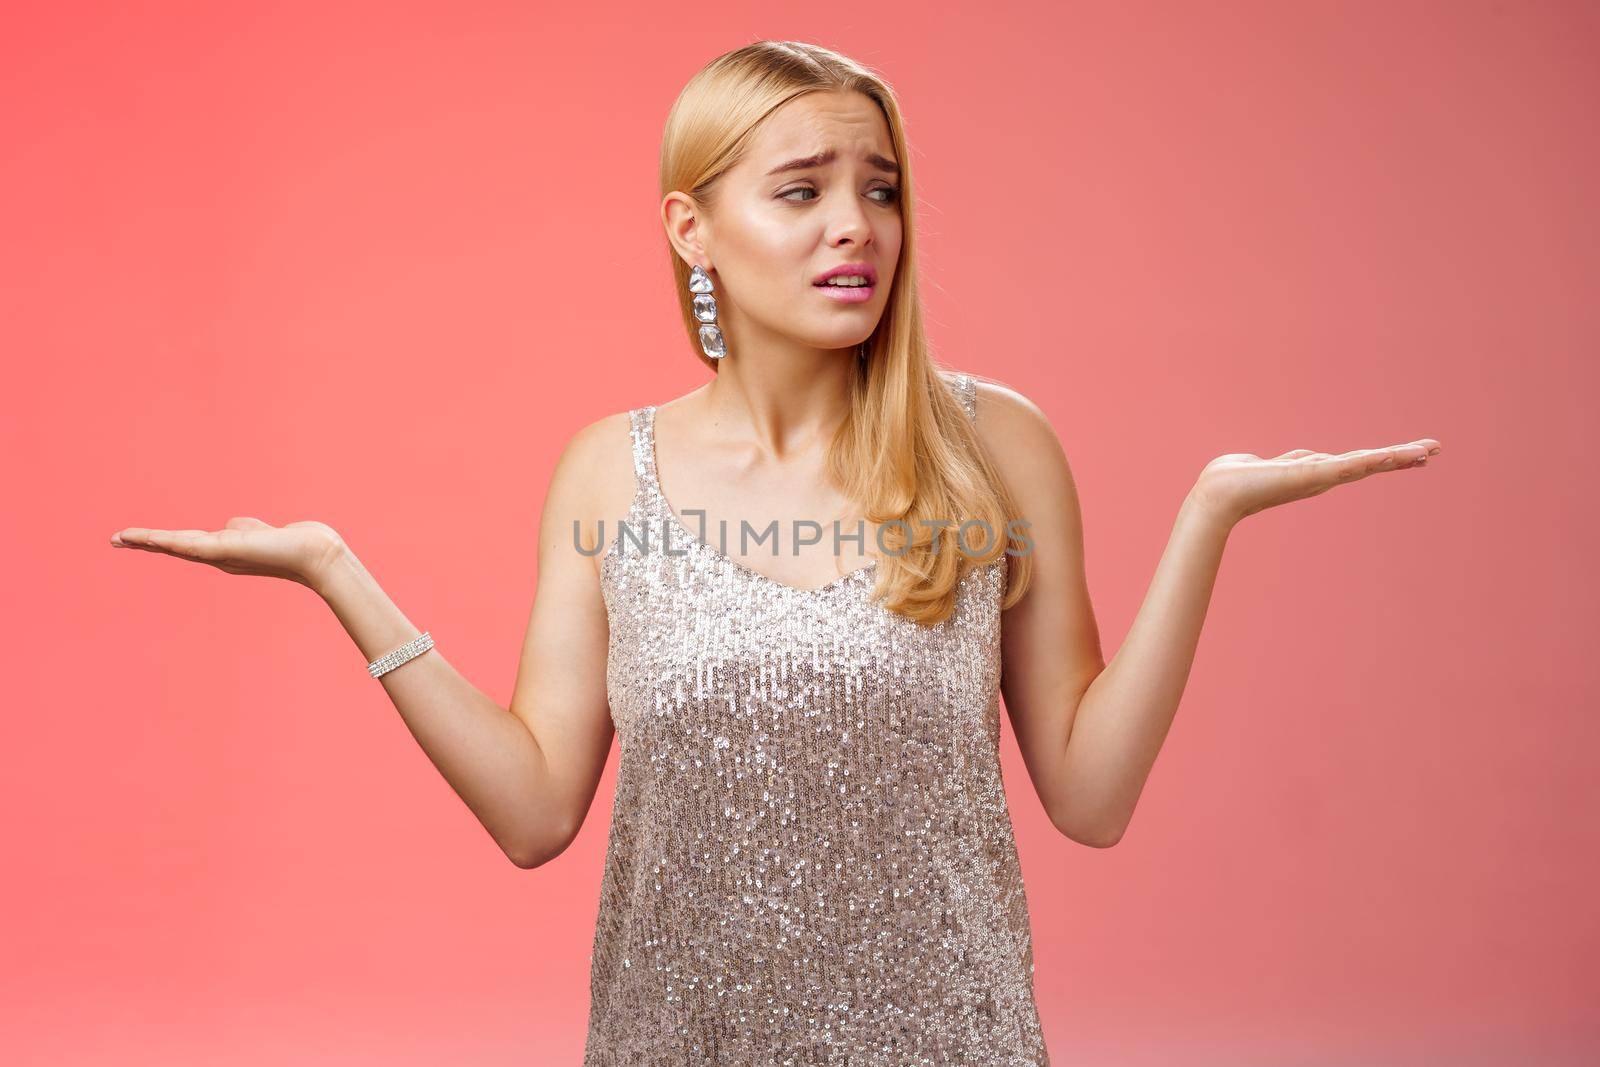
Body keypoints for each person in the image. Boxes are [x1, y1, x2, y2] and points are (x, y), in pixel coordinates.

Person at [109, 39, 1440, 1066]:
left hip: (948, 1044)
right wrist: (339, 573)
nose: (854, 224)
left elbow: (1090, 799)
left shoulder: (997, 445)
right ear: (694, 230)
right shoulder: (607, 471)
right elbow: (533, 814)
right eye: (800, 191)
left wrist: (1208, 516)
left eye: (880, 188)